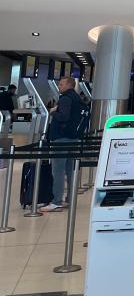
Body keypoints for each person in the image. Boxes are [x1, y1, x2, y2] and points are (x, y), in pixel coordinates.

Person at [41, 76, 83, 211]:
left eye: (61, 84)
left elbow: (64, 116)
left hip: (61, 138)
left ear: (69, 85)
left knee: (58, 170)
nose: (60, 86)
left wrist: (54, 112)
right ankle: (69, 198)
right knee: (70, 170)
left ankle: (56, 201)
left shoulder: (65, 98)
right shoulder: (77, 98)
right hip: (74, 138)